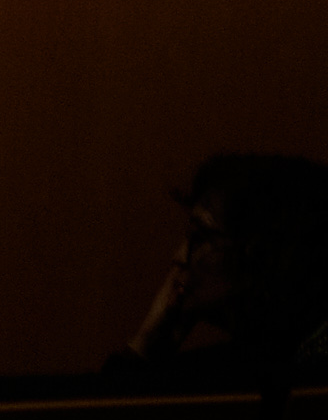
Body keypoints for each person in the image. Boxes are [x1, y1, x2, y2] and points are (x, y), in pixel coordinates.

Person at [116, 151, 328, 374]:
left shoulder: (303, 373)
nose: (178, 257)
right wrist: (149, 340)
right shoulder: (262, 362)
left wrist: (145, 344)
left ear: (260, 249)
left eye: (201, 236)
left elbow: (110, 404)